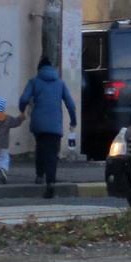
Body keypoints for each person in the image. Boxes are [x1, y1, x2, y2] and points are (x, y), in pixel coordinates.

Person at [19, 56, 77, 198]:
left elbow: (24, 99)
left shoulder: (34, 82)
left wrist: (22, 110)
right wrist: (73, 121)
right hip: (55, 125)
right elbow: (71, 104)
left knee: (40, 148)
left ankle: (39, 175)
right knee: (52, 154)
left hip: (38, 123)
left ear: (39, 69)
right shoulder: (60, 83)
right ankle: (50, 182)